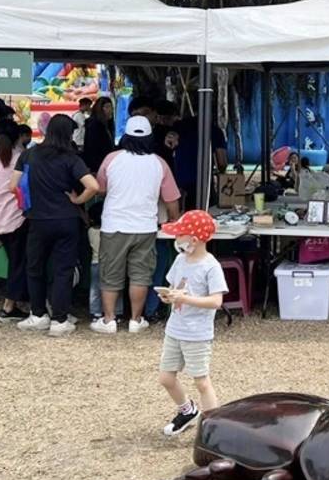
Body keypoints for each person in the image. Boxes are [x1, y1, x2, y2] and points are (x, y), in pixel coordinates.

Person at [90, 115, 182, 334]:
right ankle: (136, 320)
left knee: (110, 273)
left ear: (125, 137)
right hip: (145, 227)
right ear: (150, 138)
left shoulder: (111, 159)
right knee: (141, 275)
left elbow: (100, 189)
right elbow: (171, 200)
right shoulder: (159, 163)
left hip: (114, 225)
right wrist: (174, 220)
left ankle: (109, 319)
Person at [12, 115, 101, 336]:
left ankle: (38, 314)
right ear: (68, 135)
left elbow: (12, 185)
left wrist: (31, 199)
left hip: (37, 219)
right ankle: (60, 320)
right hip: (66, 220)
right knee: (63, 270)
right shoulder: (71, 158)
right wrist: (77, 200)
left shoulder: (28, 154)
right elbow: (93, 186)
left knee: (35, 267)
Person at [156, 210, 228, 437]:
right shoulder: (180, 260)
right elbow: (175, 286)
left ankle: (214, 428)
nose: (175, 239)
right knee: (166, 378)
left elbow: (217, 301)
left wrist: (184, 298)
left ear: (193, 240)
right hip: (175, 328)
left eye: (179, 235)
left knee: (202, 382)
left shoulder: (211, 266)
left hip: (197, 333)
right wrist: (168, 296)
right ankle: (187, 410)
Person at [0, 118, 31, 323]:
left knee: (15, 261)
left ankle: (19, 300)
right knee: (19, 263)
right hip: (17, 217)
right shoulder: (21, 158)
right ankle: (8, 307)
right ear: (18, 137)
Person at [172, 110, 229, 209]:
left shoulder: (179, 127)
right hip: (203, 181)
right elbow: (222, 162)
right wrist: (221, 172)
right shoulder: (214, 130)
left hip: (178, 180)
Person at [82, 96, 116, 173]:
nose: (110, 110)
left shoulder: (108, 124)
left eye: (111, 107)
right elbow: (91, 147)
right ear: (100, 109)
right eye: (107, 107)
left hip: (107, 162)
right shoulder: (94, 124)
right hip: (97, 165)